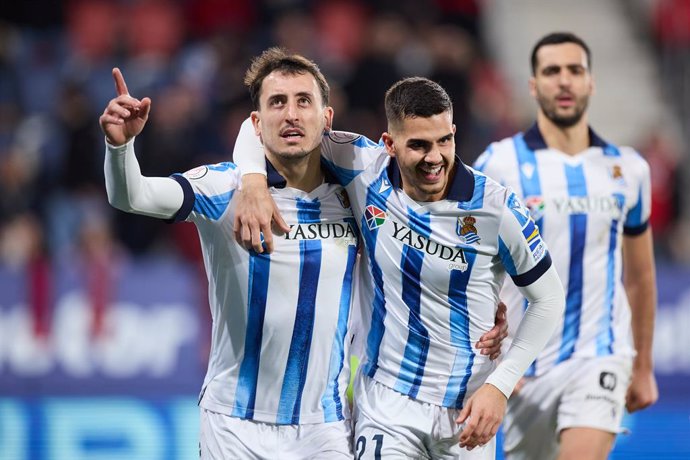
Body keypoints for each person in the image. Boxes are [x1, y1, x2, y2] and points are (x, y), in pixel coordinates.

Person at [100, 48, 505, 459]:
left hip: (324, 429)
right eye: (277, 102)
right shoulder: (224, 189)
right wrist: (120, 149)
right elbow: (133, 195)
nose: (291, 114)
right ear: (256, 123)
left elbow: (429, 239)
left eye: (303, 101)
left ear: (326, 119)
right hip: (233, 424)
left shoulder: (358, 192)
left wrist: (489, 303)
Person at [233, 76, 566, 458]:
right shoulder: (362, 167)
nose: (435, 157)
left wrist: (500, 385)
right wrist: (254, 181)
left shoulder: (496, 208)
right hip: (386, 403)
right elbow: (255, 127)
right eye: (419, 145)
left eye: (445, 141)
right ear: (389, 145)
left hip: (468, 408)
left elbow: (549, 298)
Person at [473, 32, 658, 460]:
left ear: (591, 82)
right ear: (534, 85)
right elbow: (473, 265)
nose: (564, 81)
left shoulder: (627, 170)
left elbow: (642, 275)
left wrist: (643, 366)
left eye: (574, 70)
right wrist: (494, 362)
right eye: (552, 71)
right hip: (525, 367)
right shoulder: (499, 163)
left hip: (601, 355)